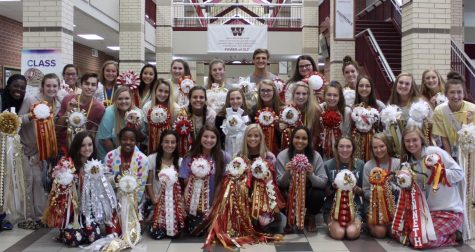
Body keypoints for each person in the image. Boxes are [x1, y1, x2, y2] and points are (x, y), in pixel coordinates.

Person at [397, 126, 465, 248]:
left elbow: (459, 174)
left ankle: (453, 235)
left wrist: (440, 171)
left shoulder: (435, 152)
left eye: (414, 140)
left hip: (449, 212)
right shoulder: (407, 163)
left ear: (421, 140)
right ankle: (443, 235)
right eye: (407, 141)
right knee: (402, 234)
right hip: (427, 213)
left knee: (419, 241)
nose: (411, 144)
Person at [18, 73, 62, 229]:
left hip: (41, 152)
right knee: (27, 182)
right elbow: (18, 120)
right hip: (24, 148)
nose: (51, 89)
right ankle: (27, 217)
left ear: (59, 87)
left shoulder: (58, 105)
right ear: (42, 86)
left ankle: (39, 216)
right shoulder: (30, 101)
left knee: (38, 182)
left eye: (54, 86)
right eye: (48, 85)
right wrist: (31, 116)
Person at [178, 125, 230, 233]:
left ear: (217, 139)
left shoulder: (224, 157)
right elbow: (185, 183)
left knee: (219, 230)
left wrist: (214, 207)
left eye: (212, 137)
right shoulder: (189, 157)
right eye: (205, 136)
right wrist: (196, 174)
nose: (209, 140)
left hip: (216, 202)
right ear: (200, 138)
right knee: (196, 231)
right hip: (194, 204)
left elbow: (222, 184)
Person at [276, 126, 327, 232]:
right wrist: (286, 173)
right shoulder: (282, 155)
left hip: (308, 193)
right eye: (297, 137)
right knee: (278, 193)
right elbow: (280, 183)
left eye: (304, 138)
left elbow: (323, 183)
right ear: (292, 139)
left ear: (309, 141)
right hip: (289, 192)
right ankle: (290, 218)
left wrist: (311, 175)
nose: (300, 141)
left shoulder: (315, 156)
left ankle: (311, 216)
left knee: (318, 194)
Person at [323, 136, 364, 240]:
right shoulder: (328, 165)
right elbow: (325, 193)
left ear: (353, 148)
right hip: (332, 209)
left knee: (351, 233)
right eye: (341, 146)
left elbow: (364, 192)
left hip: (354, 208)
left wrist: (355, 188)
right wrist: (333, 187)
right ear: (336, 148)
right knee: (339, 234)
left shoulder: (360, 164)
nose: (345, 150)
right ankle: (332, 224)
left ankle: (358, 224)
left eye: (348, 146)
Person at [146, 130, 184, 239]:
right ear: (161, 143)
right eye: (166, 142)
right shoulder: (152, 159)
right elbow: (148, 183)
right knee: (157, 234)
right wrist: (154, 199)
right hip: (157, 201)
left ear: (176, 144)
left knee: (175, 233)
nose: (170, 145)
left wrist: (180, 203)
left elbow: (182, 185)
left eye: (173, 142)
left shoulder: (180, 161)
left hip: (174, 203)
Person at [105, 127, 149, 219]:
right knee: (113, 229)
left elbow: (141, 185)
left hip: (134, 202)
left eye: (132, 140)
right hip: (113, 201)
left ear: (136, 142)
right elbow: (105, 181)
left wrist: (131, 204)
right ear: (119, 140)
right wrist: (117, 177)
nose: (128, 142)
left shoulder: (143, 159)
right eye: (124, 139)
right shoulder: (110, 156)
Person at [56, 73, 105, 154]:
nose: (89, 87)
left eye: (93, 85)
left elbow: (94, 134)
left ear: (96, 87)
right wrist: (67, 111)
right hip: (64, 148)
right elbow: (57, 128)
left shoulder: (99, 108)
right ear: (81, 84)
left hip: (84, 150)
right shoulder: (68, 99)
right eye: (86, 83)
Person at [362, 133, 400, 238]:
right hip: (374, 207)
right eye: (375, 147)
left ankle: (388, 224)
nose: (379, 150)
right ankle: (369, 224)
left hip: (394, 206)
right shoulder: (368, 166)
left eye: (382, 146)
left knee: (394, 231)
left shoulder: (398, 163)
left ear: (387, 145)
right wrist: (378, 193)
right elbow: (365, 191)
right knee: (380, 232)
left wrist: (389, 187)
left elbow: (403, 190)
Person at [432, 71, 475, 157]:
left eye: (459, 92)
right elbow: (444, 138)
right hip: (450, 151)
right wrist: (450, 160)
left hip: (471, 153)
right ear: (446, 94)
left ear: (464, 93)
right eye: (452, 92)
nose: (456, 96)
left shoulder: (473, 109)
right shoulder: (439, 110)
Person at [96, 86, 145, 160]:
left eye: (127, 98)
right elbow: (106, 139)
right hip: (108, 153)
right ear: (115, 100)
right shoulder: (109, 112)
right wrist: (118, 158)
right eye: (120, 99)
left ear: (131, 99)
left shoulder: (138, 113)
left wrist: (137, 131)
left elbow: (142, 138)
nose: (123, 101)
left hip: (131, 153)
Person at [280, 81, 321, 151]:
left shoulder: (315, 111)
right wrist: (282, 127)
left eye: (304, 94)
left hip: (308, 148)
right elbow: (281, 131)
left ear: (308, 96)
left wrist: (309, 151)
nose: (301, 97)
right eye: (298, 93)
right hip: (290, 148)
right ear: (293, 94)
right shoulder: (286, 110)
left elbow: (315, 135)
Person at [143, 78, 179, 154]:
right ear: (155, 91)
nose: (163, 94)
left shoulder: (175, 108)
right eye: (160, 91)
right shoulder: (147, 107)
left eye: (166, 92)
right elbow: (146, 129)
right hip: (151, 145)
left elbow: (175, 129)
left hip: (170, 147)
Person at [320, 81, 351, 160]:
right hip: (321, 149)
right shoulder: (319, 109)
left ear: (340, 97)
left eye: (335, 95)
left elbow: (346, 133)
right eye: (329, 95)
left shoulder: (346, 112)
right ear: (324, 95)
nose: (332, 98)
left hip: (340, 152)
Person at [250, 79, 282, 155]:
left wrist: (280, 128)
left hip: (278, 150)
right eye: (263, 90)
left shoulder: (282, 110)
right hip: (258, 150)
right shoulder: (254, 110)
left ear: (274, 92)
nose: (265, 93)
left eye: (268, 90)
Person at [215, 88, 250, 157]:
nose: (235, 101)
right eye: (232, 99)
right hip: (225, 154)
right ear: (228, 100)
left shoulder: (249, 115)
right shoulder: (220, 117)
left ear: (243, 99)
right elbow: (218, 138)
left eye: (238, 98)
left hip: (245, 154)